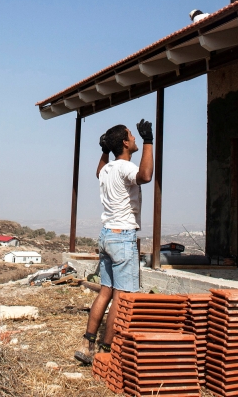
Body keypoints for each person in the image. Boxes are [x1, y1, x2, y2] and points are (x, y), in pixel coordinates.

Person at [74, 120, 154, 365]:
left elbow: (98, 172)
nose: (135, 139)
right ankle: (106, 351)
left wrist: (104, 151)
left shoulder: (107, 169)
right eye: (132, 136)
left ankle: (87, 343)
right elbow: (145, 176)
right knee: (121, 295)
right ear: (125, 143)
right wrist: (150, 140)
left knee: (105, 291)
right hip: (122, 237)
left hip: (107, 235)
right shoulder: (124, 168)